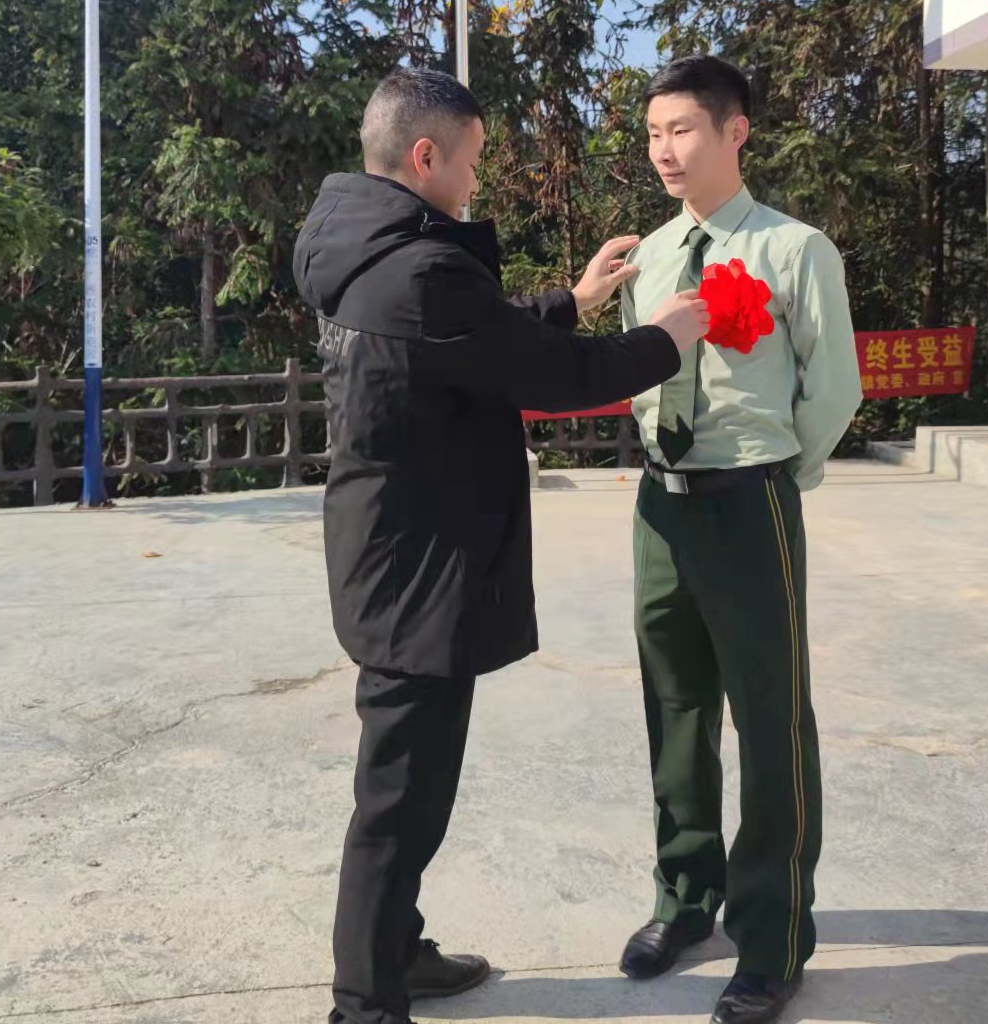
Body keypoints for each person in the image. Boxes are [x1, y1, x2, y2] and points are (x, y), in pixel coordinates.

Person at [293, 67, 708, 1024]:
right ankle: (365, 1003)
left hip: (388, 546)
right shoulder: (422, 270)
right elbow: (555, 376)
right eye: (472, 162)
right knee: (399, 804)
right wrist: (667, 337)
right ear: (425, 156)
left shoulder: (356, 242)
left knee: (409, 791)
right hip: (416, 569)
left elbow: (468, 341)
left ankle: (396, 952)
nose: (477, 181)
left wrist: (570, 297)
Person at [616, 55, 864, 1024]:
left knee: (769, 719)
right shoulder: (648, 255)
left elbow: (832, 387)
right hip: (659, 504)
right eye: (652, 134)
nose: (663, 150)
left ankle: (770, 936)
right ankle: (684, 897)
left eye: (681, 129)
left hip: (749, 501)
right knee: (674, 705)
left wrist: (779, 477)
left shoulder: (793, 249)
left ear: (734, 132)